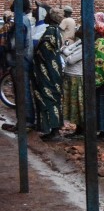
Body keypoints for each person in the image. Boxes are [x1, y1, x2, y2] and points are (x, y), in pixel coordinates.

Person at [32, 8, 64, 141]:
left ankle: (54, 131)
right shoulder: (55, 31)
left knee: (48, 100)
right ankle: (53, 129)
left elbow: (45, 53)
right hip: (51, 72)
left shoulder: (50, 32)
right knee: (52, 99)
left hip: (47, 73)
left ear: (51, 18)